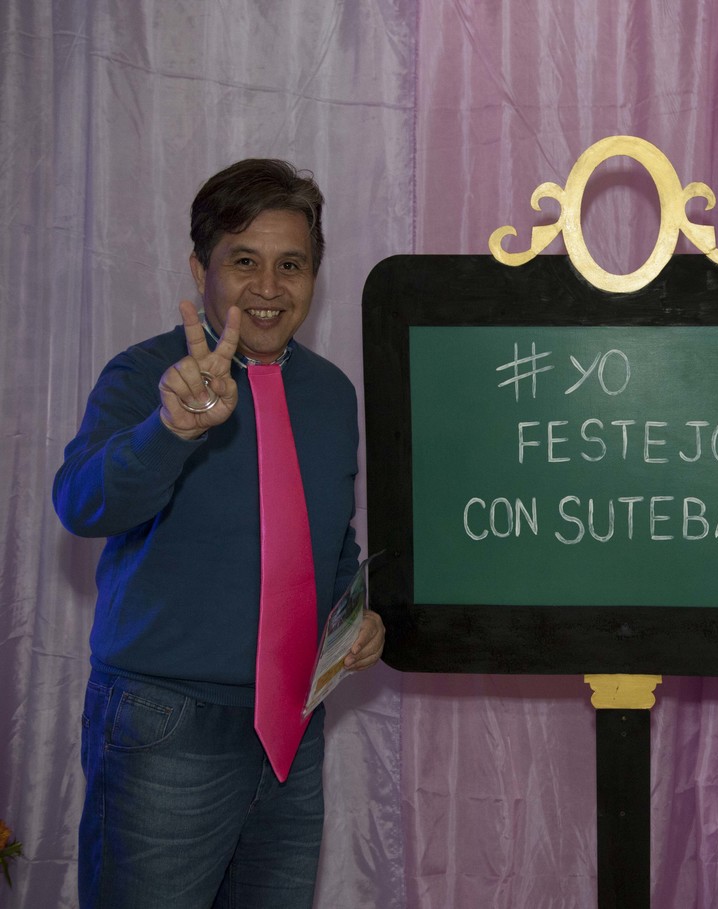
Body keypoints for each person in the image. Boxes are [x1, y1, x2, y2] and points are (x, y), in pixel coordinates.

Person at [53, 158, 386, 908]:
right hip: (167, 727)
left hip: (293, 730)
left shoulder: (332, 393)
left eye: (290, 264)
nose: (269, 287)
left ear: (314, 275)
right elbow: (80, 503)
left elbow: (331, 542)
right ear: (200, 267)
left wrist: (355, 616)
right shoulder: (147, 376)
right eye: (243, 261)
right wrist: (170, 429)